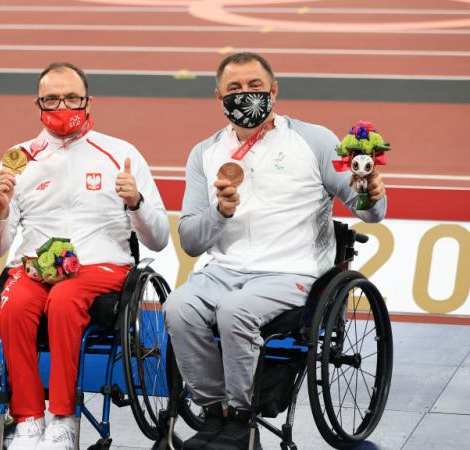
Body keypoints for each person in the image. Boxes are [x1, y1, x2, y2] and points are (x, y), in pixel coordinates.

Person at [163, 52, 387, 450]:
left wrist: (370, 193)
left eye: (254, 86)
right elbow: (192, 241)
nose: (245, 95)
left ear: (274, 90)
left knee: (236, 311)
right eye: (234, 89)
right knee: (178, 307)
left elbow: (367, 211)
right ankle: (215, 413)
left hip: (292, 272)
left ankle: (241, 416)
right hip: (225, 271)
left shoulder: (313, 140)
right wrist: (219, 213)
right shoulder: (205, 153)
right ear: (218, 95)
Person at [0, 62, 169, 450]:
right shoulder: (18, 158)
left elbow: (160, 238)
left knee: (65, 300)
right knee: (12, 308)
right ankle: (29, 419)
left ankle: (62, 418)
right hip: (32, 269)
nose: (62, 105)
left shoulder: (120, 153)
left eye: (71, 97)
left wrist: (135, 202)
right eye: (52, 98)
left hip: (101, 266)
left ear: (87, 101)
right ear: (38, 103)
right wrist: (0, 208)